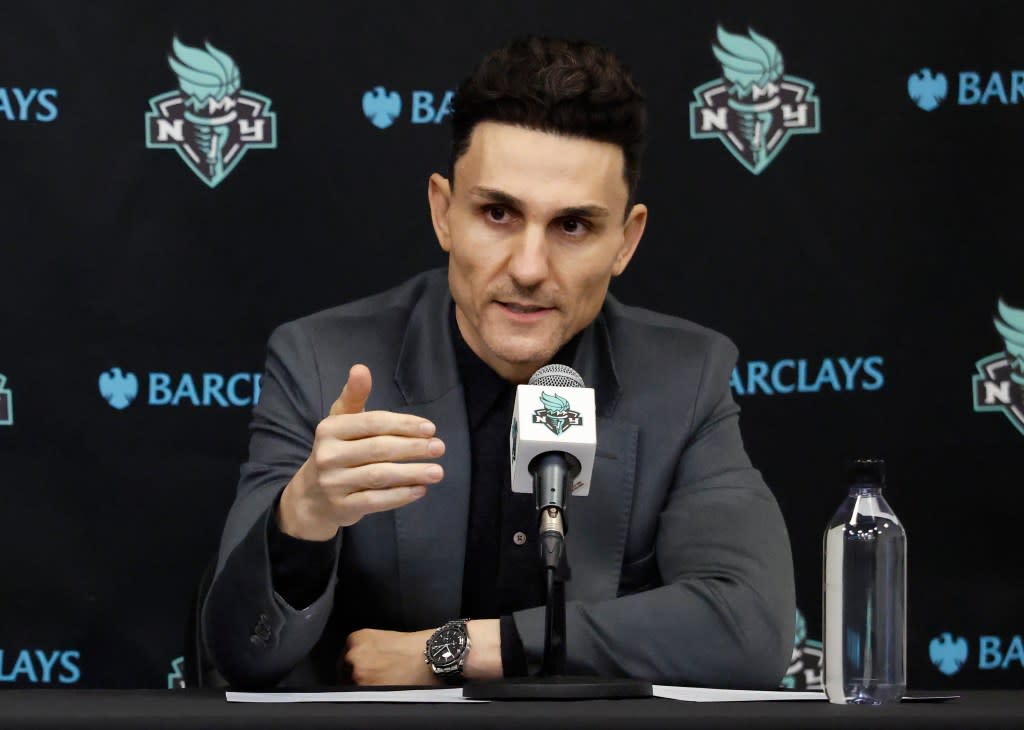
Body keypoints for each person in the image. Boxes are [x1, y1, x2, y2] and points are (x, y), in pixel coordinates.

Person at [202, 36, 795, 689]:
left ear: (625, 242)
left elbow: (751, 633)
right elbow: (238, 654)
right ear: (444, 213)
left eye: (573, 226)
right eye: (498, 213)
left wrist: (455, 649)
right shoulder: (322, 362)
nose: (530, 269)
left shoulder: (686, 378)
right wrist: (301, 521)